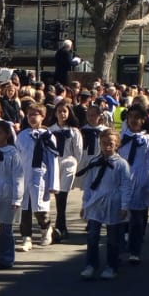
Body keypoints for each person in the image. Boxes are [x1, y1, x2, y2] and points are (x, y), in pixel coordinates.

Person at [78, 129, 132, 280]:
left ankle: (112, 265)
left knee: (113, 237)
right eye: (103, 143)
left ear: (117, 145)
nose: (107, 146)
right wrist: (85, 204)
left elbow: (126, 186)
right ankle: (91, 264)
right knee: (92, 235)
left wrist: (124, 206)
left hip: (113, 201)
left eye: (110, 143)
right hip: (96, 201)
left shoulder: (121, 164)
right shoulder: (94, 162)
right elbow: (88, 184)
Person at [120, 105, 149, 264]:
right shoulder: (121, 137)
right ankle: (120, 246)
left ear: (143, 120)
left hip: (141, 181)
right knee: (121, 216)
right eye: (130, 116)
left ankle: (135, 250)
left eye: (137, 117)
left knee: (137, 218)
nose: (133, 120)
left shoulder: (148, 139)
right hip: (123, 180)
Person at [15, 102, 58, 251]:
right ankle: (26, 237)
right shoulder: (21, 136)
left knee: (40, 208)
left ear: (43, 117)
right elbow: (17, 157)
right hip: (24, 175)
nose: (32, 118)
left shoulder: (49, 136)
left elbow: (53, 161)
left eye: (36, 115)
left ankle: (46, 228)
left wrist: (54, 183)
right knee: (25, 208)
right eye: (30, 115)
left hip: (41, 176)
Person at [0, 121, 24, 269]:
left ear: (7, 134)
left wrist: (17, 197)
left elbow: (18, 176)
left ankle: (6, 258)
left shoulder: (12, 153)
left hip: (7, 193)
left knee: (6, 229)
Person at [48, 101, 83, 243]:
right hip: (55, 162)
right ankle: (61, 226)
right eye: (59, 111)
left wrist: (74, 163)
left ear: (69, 113)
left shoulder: (74, 131)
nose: (62, 114)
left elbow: (78, 152)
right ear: (55, 113)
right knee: (57, 194)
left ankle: (60, 225)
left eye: (65, 111)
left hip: (68, 162)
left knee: (63, 193)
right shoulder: (50, 130)